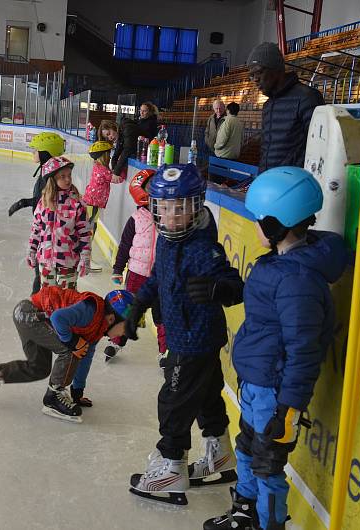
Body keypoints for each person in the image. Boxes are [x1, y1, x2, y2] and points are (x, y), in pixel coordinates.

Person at [202, 167, 348, 530]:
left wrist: (289, 407)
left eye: (259, 220)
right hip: (257, 382)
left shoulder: (297, 280)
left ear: (276, 225)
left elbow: (303, 348)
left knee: (267, 465)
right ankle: (245, 513)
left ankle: (268, 523)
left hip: (274, 392)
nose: (254, 227)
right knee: (248, 450)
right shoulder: (283, 265)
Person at [125, 163, 245, 505]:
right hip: (188, 336)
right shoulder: (165, 241)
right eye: (164, 208)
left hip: (194, 339)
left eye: (180, 208)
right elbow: (158, 280)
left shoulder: (202, 248)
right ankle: (220, 455)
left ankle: (172, 467)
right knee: (207, 396)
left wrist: (217, 288)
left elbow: (235, 285)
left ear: (195, 207)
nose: (171, 216)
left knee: (173, 402)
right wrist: (137, 307)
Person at [0, 287, 132, 423]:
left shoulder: (98, 329)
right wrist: (72, 342)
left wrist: (77, 390)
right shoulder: (91, 310)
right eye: (126, 327)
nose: (124, 334)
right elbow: (58, 318)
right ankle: (53, 397)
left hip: (29, 317)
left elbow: (85, 357)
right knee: (70, 349)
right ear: (112, 318)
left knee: (39, 368)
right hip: (30, 314)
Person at [106, 169, 166, 363]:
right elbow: (125, 245)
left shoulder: (168, 215)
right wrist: (117, 269)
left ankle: (164, 351)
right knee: (128, 310)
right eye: (152, 186)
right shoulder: (137, 218)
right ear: (142, 192)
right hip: (137, 275)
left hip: (161, 277)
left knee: (162, 315)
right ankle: (116, 341)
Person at [247, 42, 324, 172]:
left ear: (276, 70)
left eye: (259, 72)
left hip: (293, 184)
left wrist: (292, 175)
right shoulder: (268, 105)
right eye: (252, 75)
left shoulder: (307, 97)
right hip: (269, 181)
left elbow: (319, 146)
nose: (255, 79)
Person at [7, 132, 66, 294]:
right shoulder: (47, 173)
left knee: (40, 273)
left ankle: (37, 302)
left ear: (45, 152)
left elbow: (46, 202)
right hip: (45, 228)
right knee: (41, 272)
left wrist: (24, 203)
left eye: (35, 150)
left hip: (48, 232)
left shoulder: (49, 177)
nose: (32, 153)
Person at [27, 156, 91, 290]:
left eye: (69, 175)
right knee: (48, 298)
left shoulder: (76, 203)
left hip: (68, 261)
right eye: (62, 176)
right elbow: (36, 229)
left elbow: (84, 233)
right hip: (46, 261)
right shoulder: (43, 203)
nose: (68, 179)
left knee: (67, 300)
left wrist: (85, 256)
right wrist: (31, 250)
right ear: (52, 180)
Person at [82, 140, 124, 274]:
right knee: (89, 232)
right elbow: (117, 179)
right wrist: (123, 169)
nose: (110, 156)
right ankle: (86, 261)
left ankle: (84, 259)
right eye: (108, 153)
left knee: (90, 230)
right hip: (93, 204)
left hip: (92, 203)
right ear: (103, 155)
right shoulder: (103, 170)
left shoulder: (98, 166)